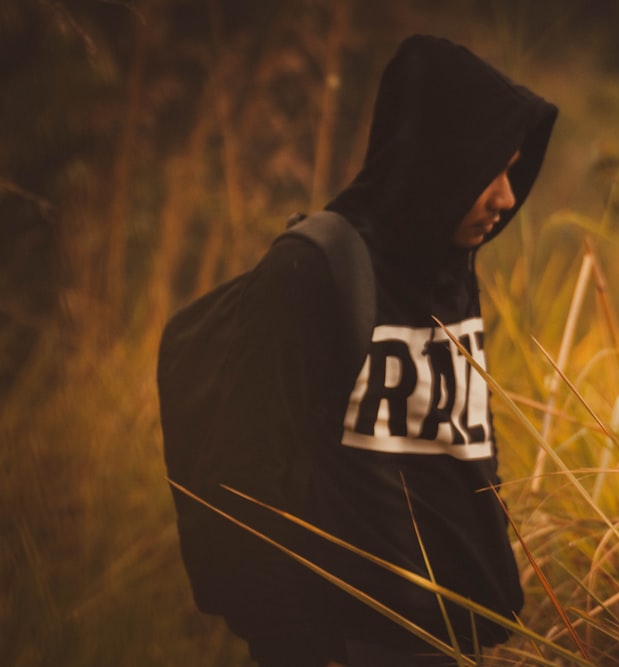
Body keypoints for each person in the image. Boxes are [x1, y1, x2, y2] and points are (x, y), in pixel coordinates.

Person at [198, 34, 558, 666]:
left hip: (453, 637)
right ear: (439, 160)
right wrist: (292, 645)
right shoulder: (314, 267)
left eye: (513, 170)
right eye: (490, 170)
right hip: (347, 643)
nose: (506, 198)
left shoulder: (451, 268)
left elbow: (462, 447)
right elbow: (244, 476)